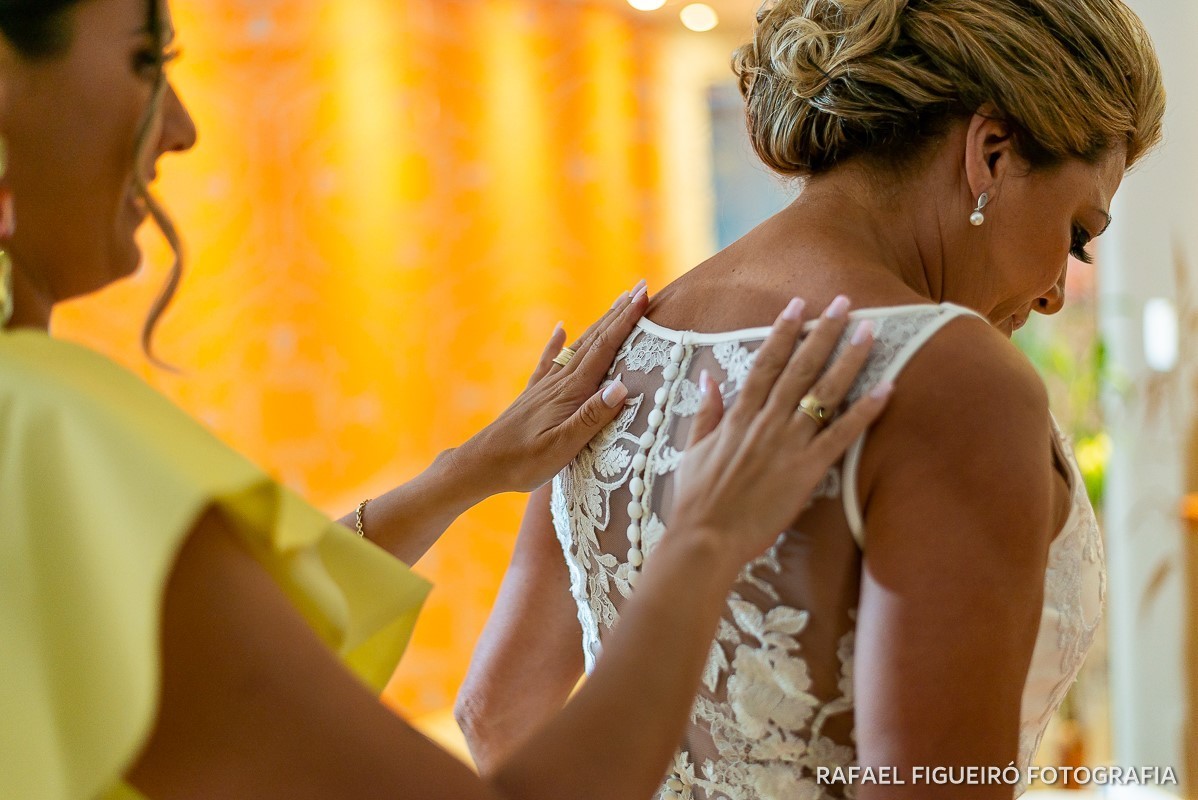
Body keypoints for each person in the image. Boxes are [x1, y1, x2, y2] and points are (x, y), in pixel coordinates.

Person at [0, 1, 895, 798]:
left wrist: (464, 472)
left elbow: (240, 643)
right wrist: (705, 540)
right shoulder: (44, 426)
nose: (182, 129)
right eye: (145, 62)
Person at [457, 1, 1166, 799]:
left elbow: (496, 712)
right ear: (992, 154)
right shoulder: (956, 380)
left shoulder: (617, 352)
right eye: (1076, 232)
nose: (1054, 299)